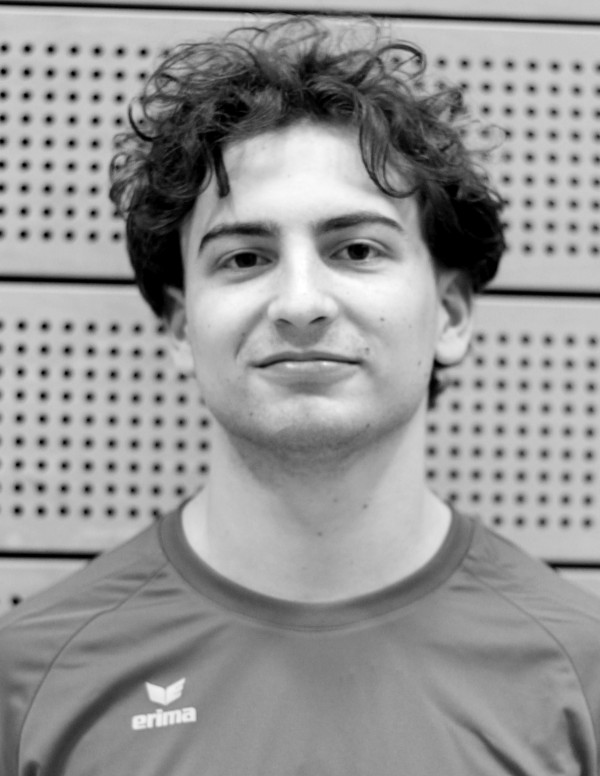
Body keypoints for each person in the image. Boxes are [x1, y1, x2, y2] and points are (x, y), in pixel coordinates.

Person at [1, 16, 599, 776]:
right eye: (244, 258)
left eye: (357, 249)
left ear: (450, 315)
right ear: (182, 328)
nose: (300, 303)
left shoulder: (581, 674)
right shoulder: (32, 679)